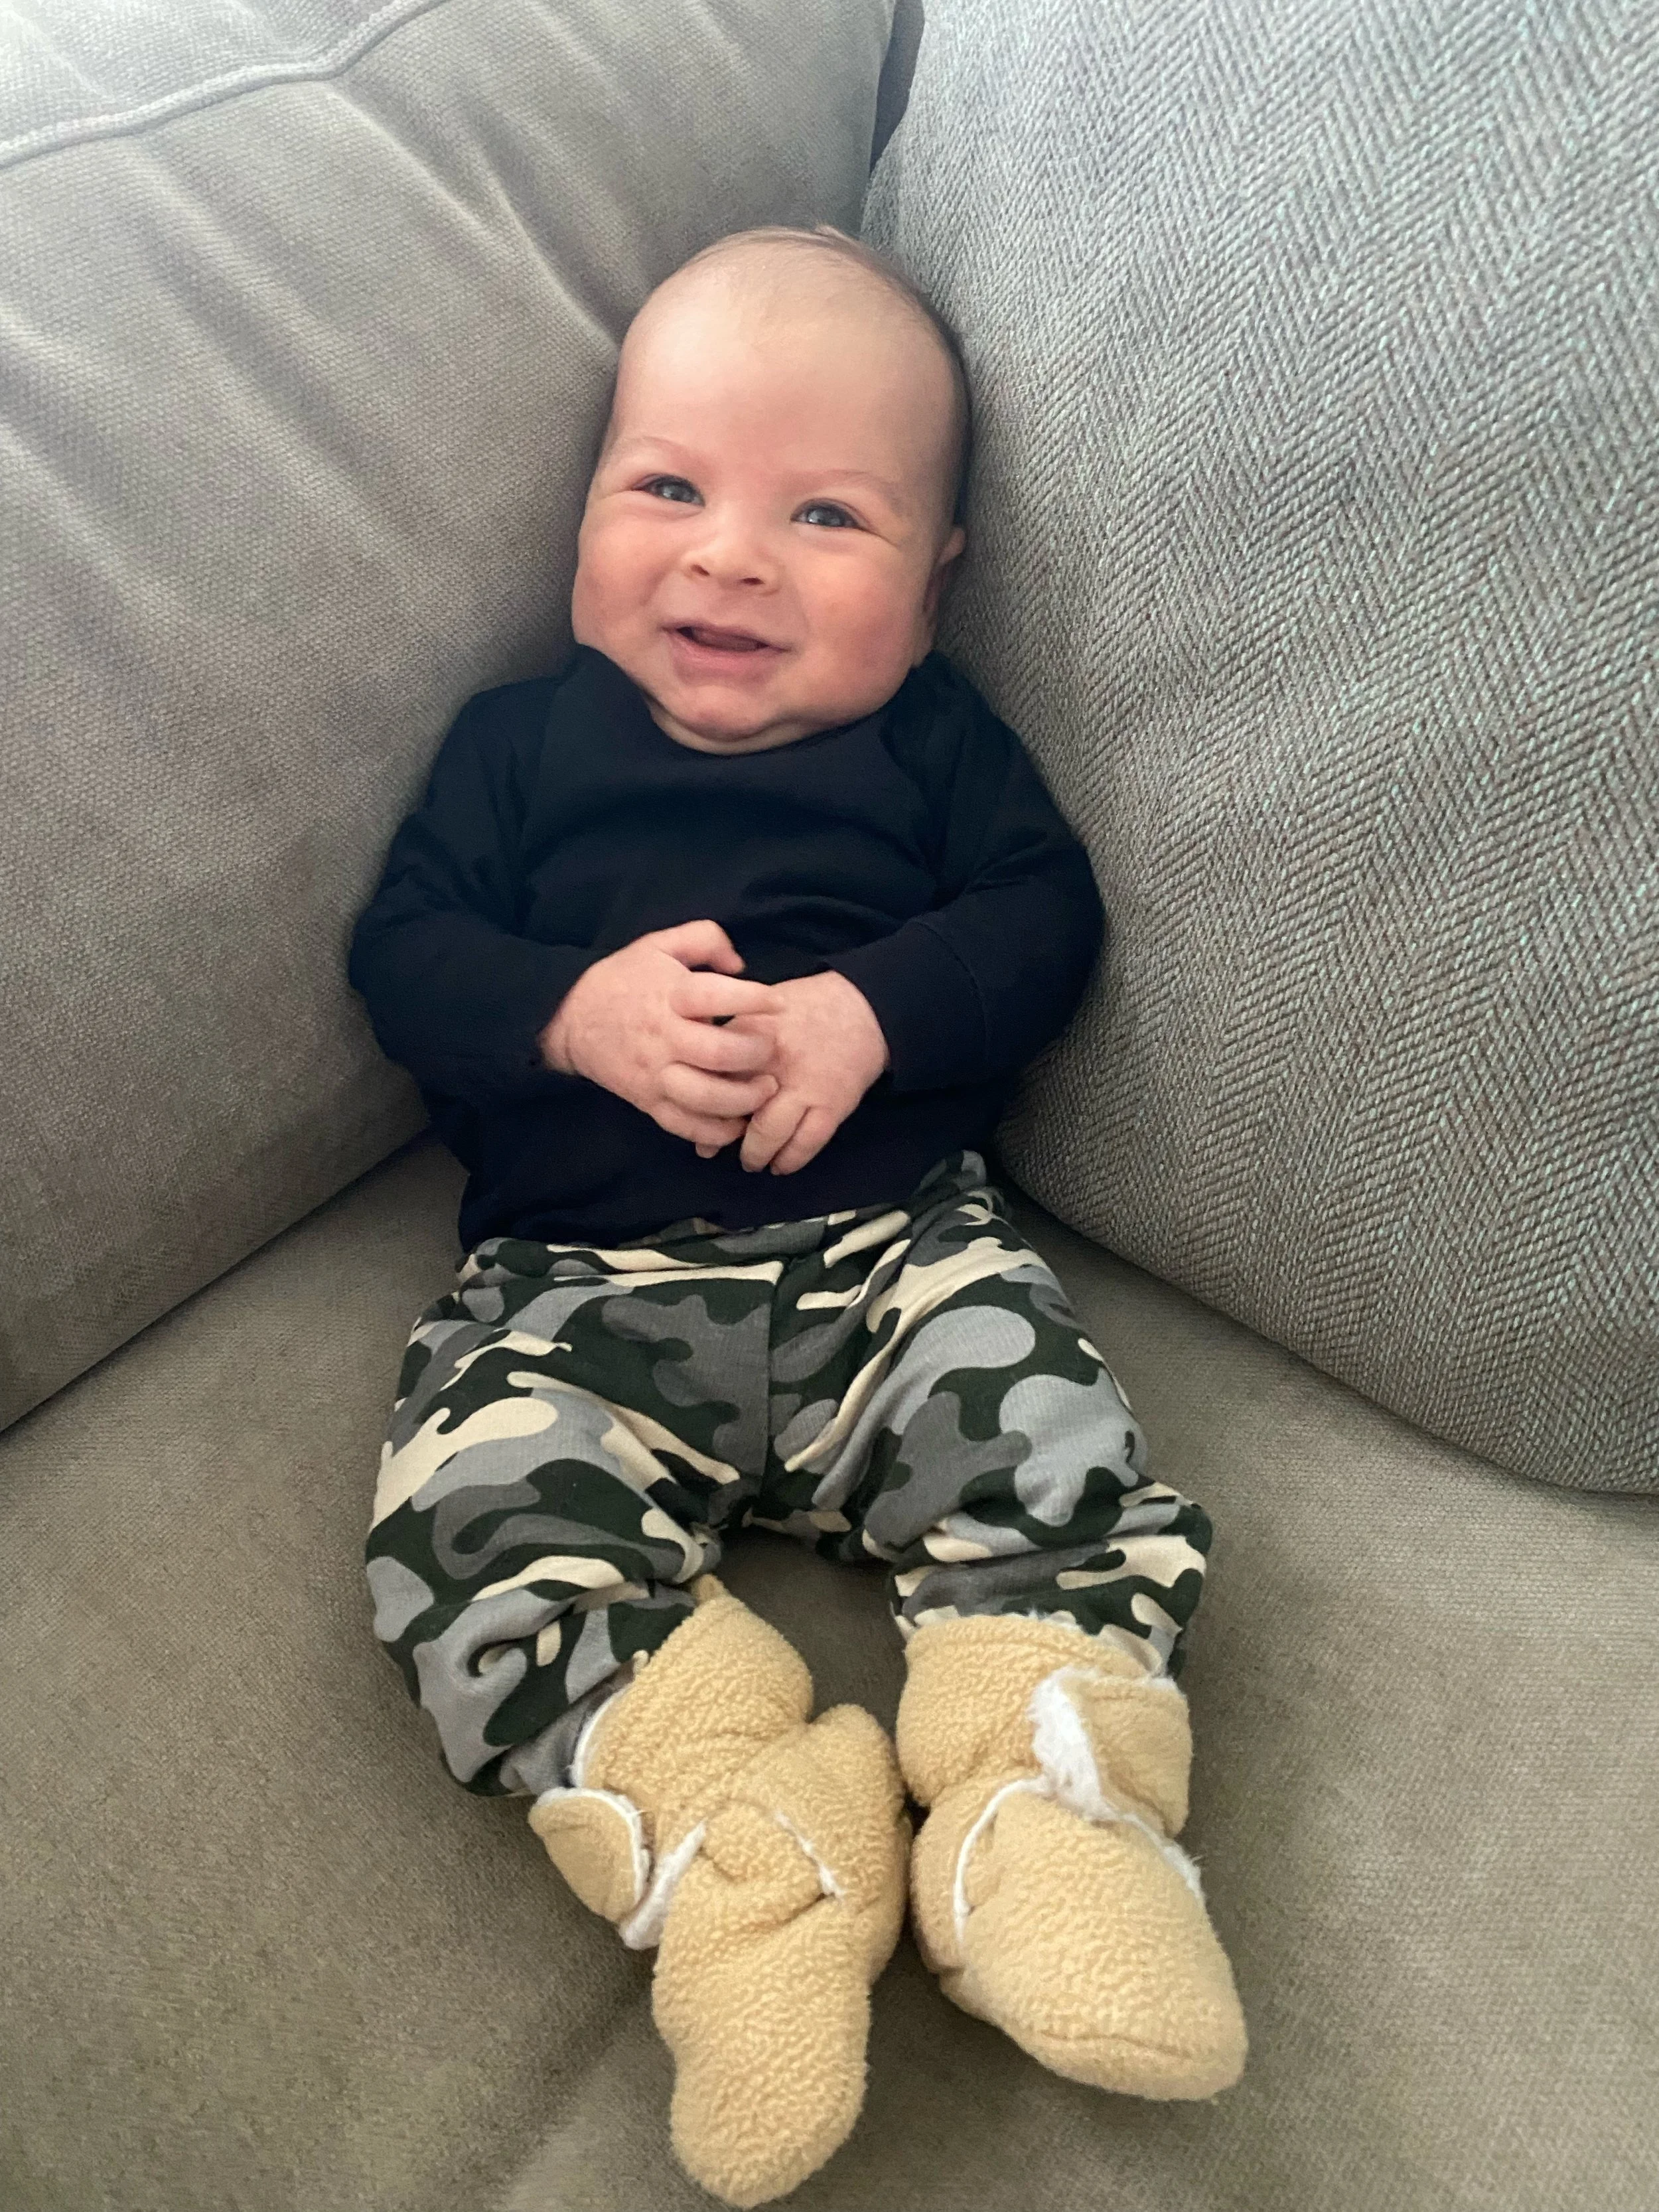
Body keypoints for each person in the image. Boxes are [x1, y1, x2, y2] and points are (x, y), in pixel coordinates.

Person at [349, 224, 1246, 2209]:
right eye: (665, 484)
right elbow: (404, 956)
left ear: (936, 578)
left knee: (1051, 1453)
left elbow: (1042, 921)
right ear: (584, 505)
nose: (728, 554)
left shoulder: (930, 752)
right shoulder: (515, 752)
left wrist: (873, 1006)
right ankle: (750, 1836)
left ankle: (1049, 1804)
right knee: (466, 1533)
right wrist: (565, 1012)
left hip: (890, 1258)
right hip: (566, 1294)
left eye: (821, 512)